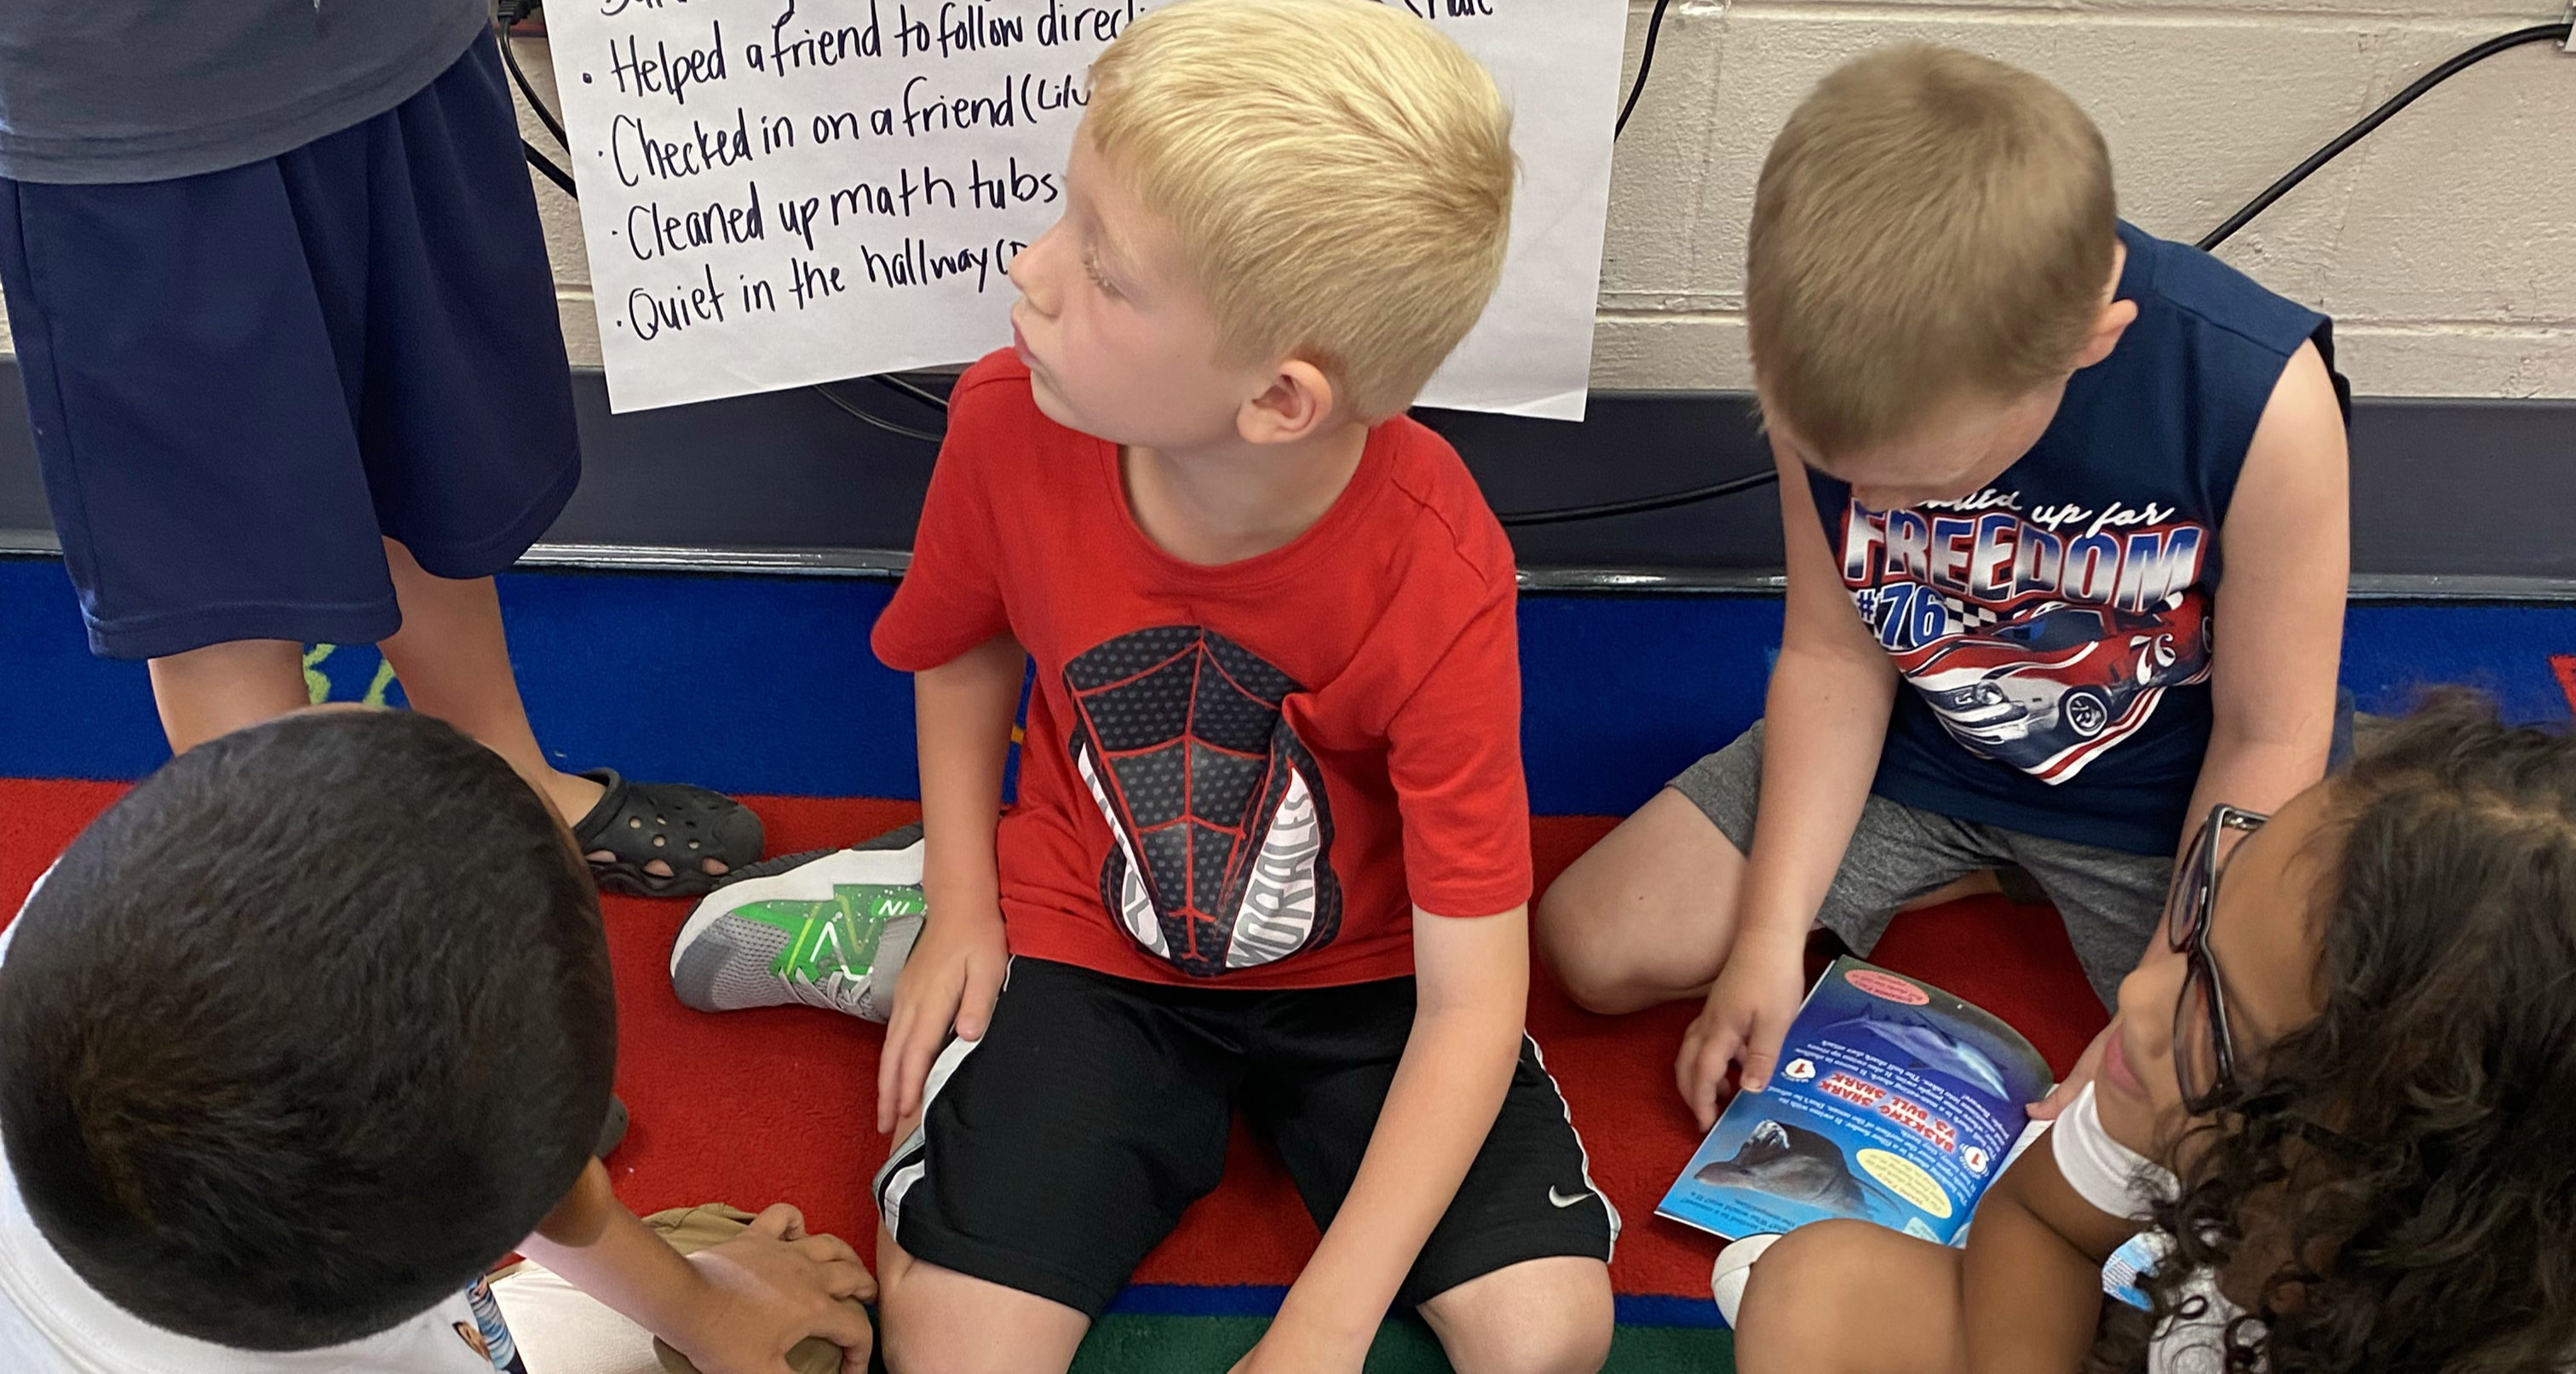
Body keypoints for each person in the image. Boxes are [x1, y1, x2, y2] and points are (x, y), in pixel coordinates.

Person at [673, 3, 1617, 1370]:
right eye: (1068, 217)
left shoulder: (1439, 556)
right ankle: (913, 891)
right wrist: (963, 896)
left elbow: (1474, 995)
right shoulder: (1008, 419)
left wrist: (1323, 1329)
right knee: (957, 1353)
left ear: (1280, 399)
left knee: (1549, 1337)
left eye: (1105, 272)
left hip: (1372, 976)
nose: (1033, 268)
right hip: (1089, 926)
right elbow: (964, 638)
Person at [1533, 44, 2352, 1130]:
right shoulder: (1832, 358)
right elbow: (1835, 649)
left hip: (2163, 791)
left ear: (2087, 346)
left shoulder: (2265, 399)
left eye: (1919, 479)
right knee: (1600, 942)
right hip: (1920, 744)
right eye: (1841, 465)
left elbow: (2266, 737)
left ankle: (2036, 891)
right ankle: (1974, 870)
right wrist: (1770, 939)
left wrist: (2161, 992)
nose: (1868, 495)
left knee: (2268, 1099)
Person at [0, 2, 759, 895]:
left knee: (427, 465)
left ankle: (510, 786)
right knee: (217, 582)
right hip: (133, 113)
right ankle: (294, 920)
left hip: (396, 50)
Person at [1716, 693, 2576, 1371]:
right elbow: (2042, 1218)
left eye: (2217, 1001)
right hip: (2179, 1325)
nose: (2136, 994)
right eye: (2203, 906)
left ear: (2396, 1136)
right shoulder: (2192, 1104)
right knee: (1808, 1283)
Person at [0, 710, 873, 1373]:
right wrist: (704, 1311)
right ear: (578, 1192)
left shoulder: (49, 939)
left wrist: (702, 1306)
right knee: (804, 1337)